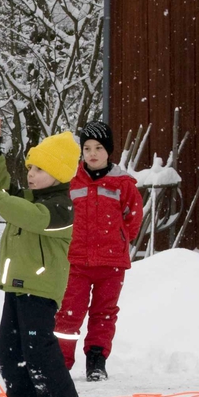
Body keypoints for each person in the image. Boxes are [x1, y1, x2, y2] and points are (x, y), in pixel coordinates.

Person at [0, 117, 83, 397]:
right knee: (8, 349)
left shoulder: (62, 208)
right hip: (17, 285)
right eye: (30, 168)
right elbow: (1, 188)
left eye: (39, 170)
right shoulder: (28, 196)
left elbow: (30, 216)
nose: (31, 174)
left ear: (58, 173)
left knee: (38, 348)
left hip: (41, 287)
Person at [54, 120, 144, 382]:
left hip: (111, 263)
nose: (92, 153)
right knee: (69, 313)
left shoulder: (123, 184)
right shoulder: (71, 182)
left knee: (104, 313)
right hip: (75, 262)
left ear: (109, 151)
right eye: (87, 148)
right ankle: (61, 362)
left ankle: (96, 360)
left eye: (98, 148)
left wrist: (118, 239)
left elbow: (133, 219)